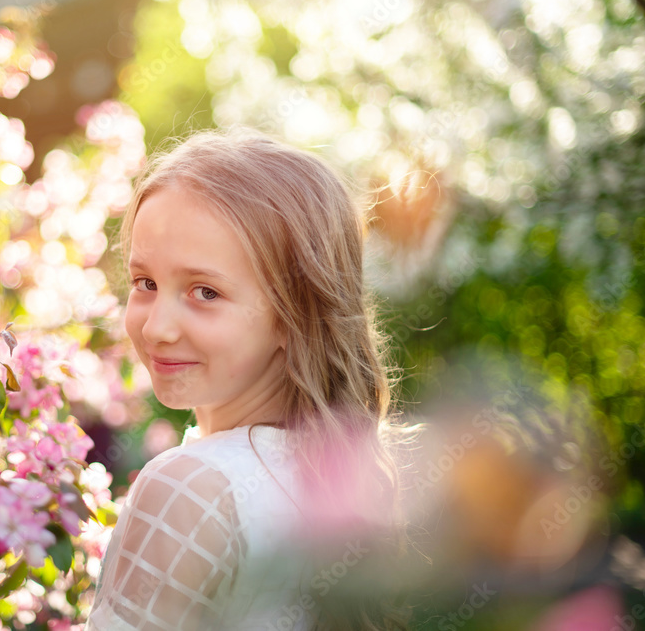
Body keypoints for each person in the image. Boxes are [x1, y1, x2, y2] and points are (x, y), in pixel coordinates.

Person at [86, 129, 413, 631]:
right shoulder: (336, 481)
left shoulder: (189, 487)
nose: (156, 327)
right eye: (145, 283)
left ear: (292, 315)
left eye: (205, 292)